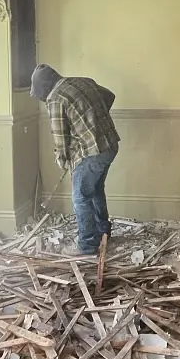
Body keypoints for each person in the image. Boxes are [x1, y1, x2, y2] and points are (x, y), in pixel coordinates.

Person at [30, 64, 119, 255]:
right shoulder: (83, 82)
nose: (40, 98)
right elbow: (109, 96)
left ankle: (87, 245)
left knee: (80, 197)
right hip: (110, 145)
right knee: (95, 189)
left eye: (38, 93)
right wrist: (94, 120)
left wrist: (62, 159)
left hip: (92, 153)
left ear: (45, 87)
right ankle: (103, 232)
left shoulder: (55, 98)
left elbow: (60, 139)